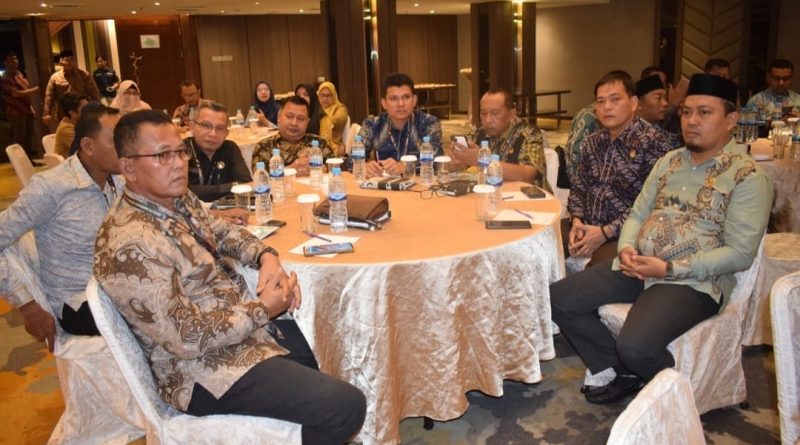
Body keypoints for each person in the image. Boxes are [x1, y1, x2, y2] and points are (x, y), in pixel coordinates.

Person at [95, 110, 366, 443]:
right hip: (203, 371)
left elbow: (221, 231)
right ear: (128, 168)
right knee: (346, 406)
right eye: (163, 155)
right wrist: (263, 309)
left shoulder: (175, 199)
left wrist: (266, 257)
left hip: (237, 330)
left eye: (180, 152)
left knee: (316, 350)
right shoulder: (130, 243)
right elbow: (185, 339)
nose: (178, 164)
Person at [550, 73, 772, 405]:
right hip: (638, 265)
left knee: (636, 346)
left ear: (730, 120)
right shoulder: (670, 161)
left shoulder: (748, 176)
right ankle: (620, 370)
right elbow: (637, 214)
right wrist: (626, 247)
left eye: (705, 113)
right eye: (687, 112)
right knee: (557, 298)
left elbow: (740, 254)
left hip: (693, 282)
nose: (692, 121)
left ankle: (677, 398)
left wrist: (668, 268)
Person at [0, 104, 123, 346]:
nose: (126, 147)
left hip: (121, 287)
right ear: (88, 146)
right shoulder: (52, 187)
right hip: (81, 302)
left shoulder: (118, 181)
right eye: (116, 141)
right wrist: (27, 305)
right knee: (162, 315)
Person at [567, 71, 672, 267]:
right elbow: (579, 188)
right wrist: (576, 220)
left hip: (625, 235)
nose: (607, 107)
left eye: (615, 99)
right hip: (586, 225)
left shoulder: (653, 143)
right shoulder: (592, 142)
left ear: (633, 103)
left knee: (593, 271)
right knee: (544, 242)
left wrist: (605, 232)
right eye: (600, 101)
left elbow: (652, 203)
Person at [451, 88, 550, 190]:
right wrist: (458, 161)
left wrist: (482, 161)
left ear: (512, 114)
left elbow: (528, 174)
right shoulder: (478, 130)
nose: (488, 120)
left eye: (495, 113)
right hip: (489, 192)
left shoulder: (529, 133)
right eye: (483, 113)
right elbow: (465, 162)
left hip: (526, 195)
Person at [359, 72, 443, 178]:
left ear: (414, 100)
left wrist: (405, 167)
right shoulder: (372, 124)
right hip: (382, 184)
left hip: (418, 184)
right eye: (394, 98)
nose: (401, 104)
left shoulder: (429, 123)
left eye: (406, 97)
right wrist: (364, 166)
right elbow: (351, 158)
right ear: (384, 103)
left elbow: (437, 159)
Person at [186, 102, 252, 201]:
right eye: (206, 125)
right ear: (192, 127)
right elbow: (183, 191)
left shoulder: (230, 148)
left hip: (228, 208)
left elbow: (246, 184)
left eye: (220, 128)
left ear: (226, 133)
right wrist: (227, 188)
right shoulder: (181, 150)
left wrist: (205, 191)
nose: (213, 134)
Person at [252, 96, 334, 176]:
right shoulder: (264, 146)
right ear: (279, 116)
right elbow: (260, 178)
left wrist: (322, 169)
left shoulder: (319, 143)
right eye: (289, 116)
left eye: (300, 118)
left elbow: (336, 168)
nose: (294, 123)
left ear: (307, 122)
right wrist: (289, 170)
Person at [42, 49, 101, 128]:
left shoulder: (84, 75)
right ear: (61, 62)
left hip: (82, 111)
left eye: (72, 60)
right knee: (67, 131)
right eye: (67, 60)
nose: (70, 62)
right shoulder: (55, 77)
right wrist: (46, 113)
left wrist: (98, 108)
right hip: (63, 114)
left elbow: (94, 92)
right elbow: (49, 96)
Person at [1, 51, 39, 157]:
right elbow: (16, 94)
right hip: (15, 112)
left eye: (16, 58)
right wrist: (36, 90)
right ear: (5, 62)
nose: (15, 61)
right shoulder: (5, 77)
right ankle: (19, 161)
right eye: (11, 59)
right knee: (19, 139)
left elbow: (25, 90)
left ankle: (28, 160)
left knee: (28, 137)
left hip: (26, 110)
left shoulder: (19, 73)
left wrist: (31, 108)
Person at [635, 74, 681, 148]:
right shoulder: (636, 134)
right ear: (639, 104)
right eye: (658, 98)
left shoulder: (655, 126)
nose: (665, 103)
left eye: (665, 98)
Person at [565, 103, 601, 183]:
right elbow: (576, 160)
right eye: (601, 101)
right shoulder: (588, 117)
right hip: (584, 181)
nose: (607, 106)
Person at [54, 91, 90, 158]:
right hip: (71, 163)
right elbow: (87, 148)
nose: (89, 111)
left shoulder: (81, 122)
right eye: (85, 109)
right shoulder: (66, 128)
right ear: (72, 113)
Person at [317, 81, 349, 154]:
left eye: (328, 95)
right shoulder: (316, 109)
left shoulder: (340, 108)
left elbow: (339, 120)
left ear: (334, 95)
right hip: (316, 147)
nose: (325, 98)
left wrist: (324, 115)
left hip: (334, 147)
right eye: (322, 95)